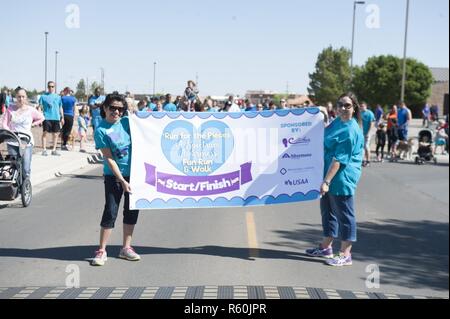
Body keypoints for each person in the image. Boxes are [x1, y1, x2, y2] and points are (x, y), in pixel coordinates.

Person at [306, 92, 364, 267]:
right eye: (341, 104)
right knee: (328, 211)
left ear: (354, 108)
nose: (343, 108)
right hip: (327, 175)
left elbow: (339, 160)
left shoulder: (350, 130)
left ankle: (346, 254)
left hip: (340, 178)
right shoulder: (338, 122)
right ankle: (326, 247)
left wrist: (326, 182)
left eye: (347, 105)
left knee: (345, 215)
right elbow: (323, 133)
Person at [91, 93, 140, 266]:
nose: (116, 112)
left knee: (131, 210)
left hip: (134, 175)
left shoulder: (127, 123)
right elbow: (109, 159)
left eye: (120, 109)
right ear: (105, 108)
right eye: (113, 108)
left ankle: (126, 248)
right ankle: (101, 250)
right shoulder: (101, 130)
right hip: (114, 177)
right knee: (111, 210)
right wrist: (122, 180)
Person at [2, 87, 45, 178]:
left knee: (25, 167)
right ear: (15, 97)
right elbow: (4, 123)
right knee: (13, 165)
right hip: (12, 140)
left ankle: (25, 185)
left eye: (23, 96)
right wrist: (9, 131)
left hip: (26, 141)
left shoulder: (31, 110)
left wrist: (33, 124)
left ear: (26, 98)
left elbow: (42, 117)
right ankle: (15, 187)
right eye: (19, 96)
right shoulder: (10, 109)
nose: (21, 99)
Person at [39, 81, 64, 156]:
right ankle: (44, 150)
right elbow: (39, 107)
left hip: (56, 118)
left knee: (56, 134)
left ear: (54, 87)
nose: (51, 88)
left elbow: (60, 107)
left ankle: (54, 150)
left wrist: (62, 117)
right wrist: (40, 117)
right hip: (46, 117)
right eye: (49, 86)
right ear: (47, 87)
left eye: (52, 86)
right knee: (45, 133)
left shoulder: (58, 97)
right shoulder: (43, 96)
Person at [360, 102, 375, 167]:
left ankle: (368, 160)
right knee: (362, 147)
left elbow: (372, 123)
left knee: (366, 146)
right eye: (361, 106)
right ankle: (363, 160)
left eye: (363, 106)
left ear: (366, 106)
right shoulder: (360, 113)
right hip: (361, 132)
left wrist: (368, 133)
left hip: (368, 132)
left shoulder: (369, 113)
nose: (361, 107)